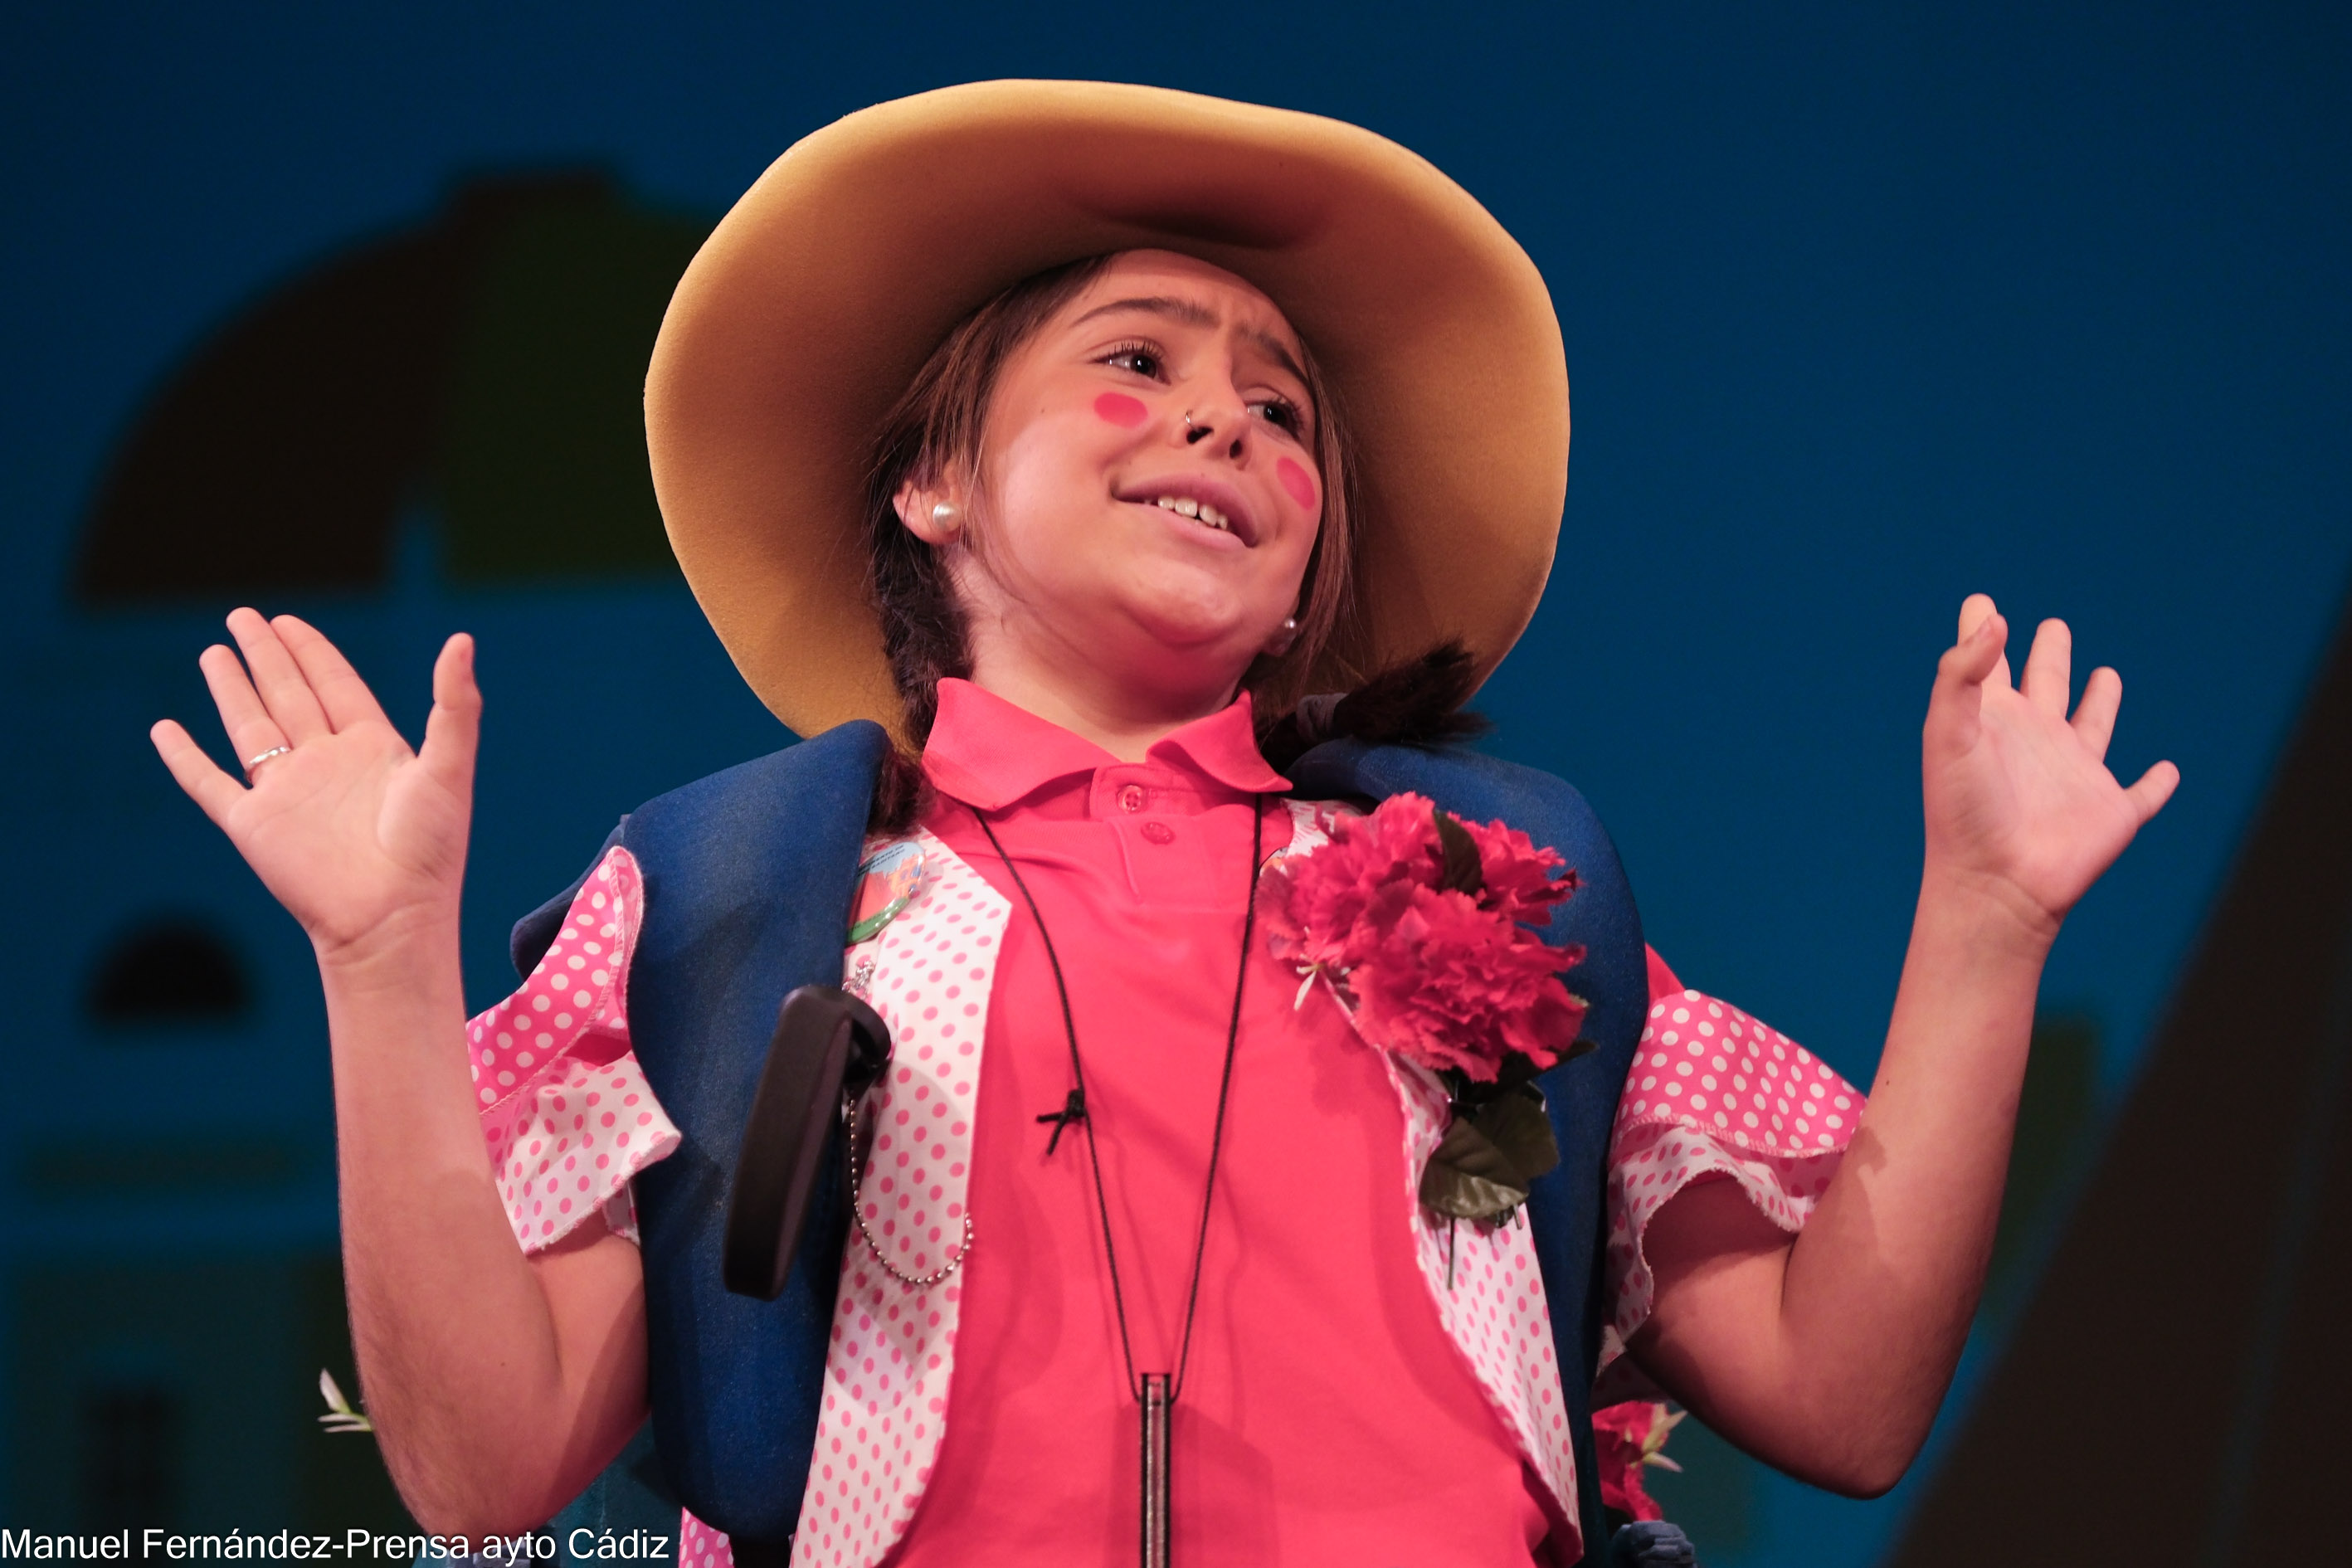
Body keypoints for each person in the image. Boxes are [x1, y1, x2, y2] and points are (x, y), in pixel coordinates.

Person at [149, 83, 2176, 1567]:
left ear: (1301, 576)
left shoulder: (1494, 900)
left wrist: (1985, 920)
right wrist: (377, 964)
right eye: (1134, 367)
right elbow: (477, 1470)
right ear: (930, 486)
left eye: (1281, 410)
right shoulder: (722, 906)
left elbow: (1845, 1397)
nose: (1227, 422)